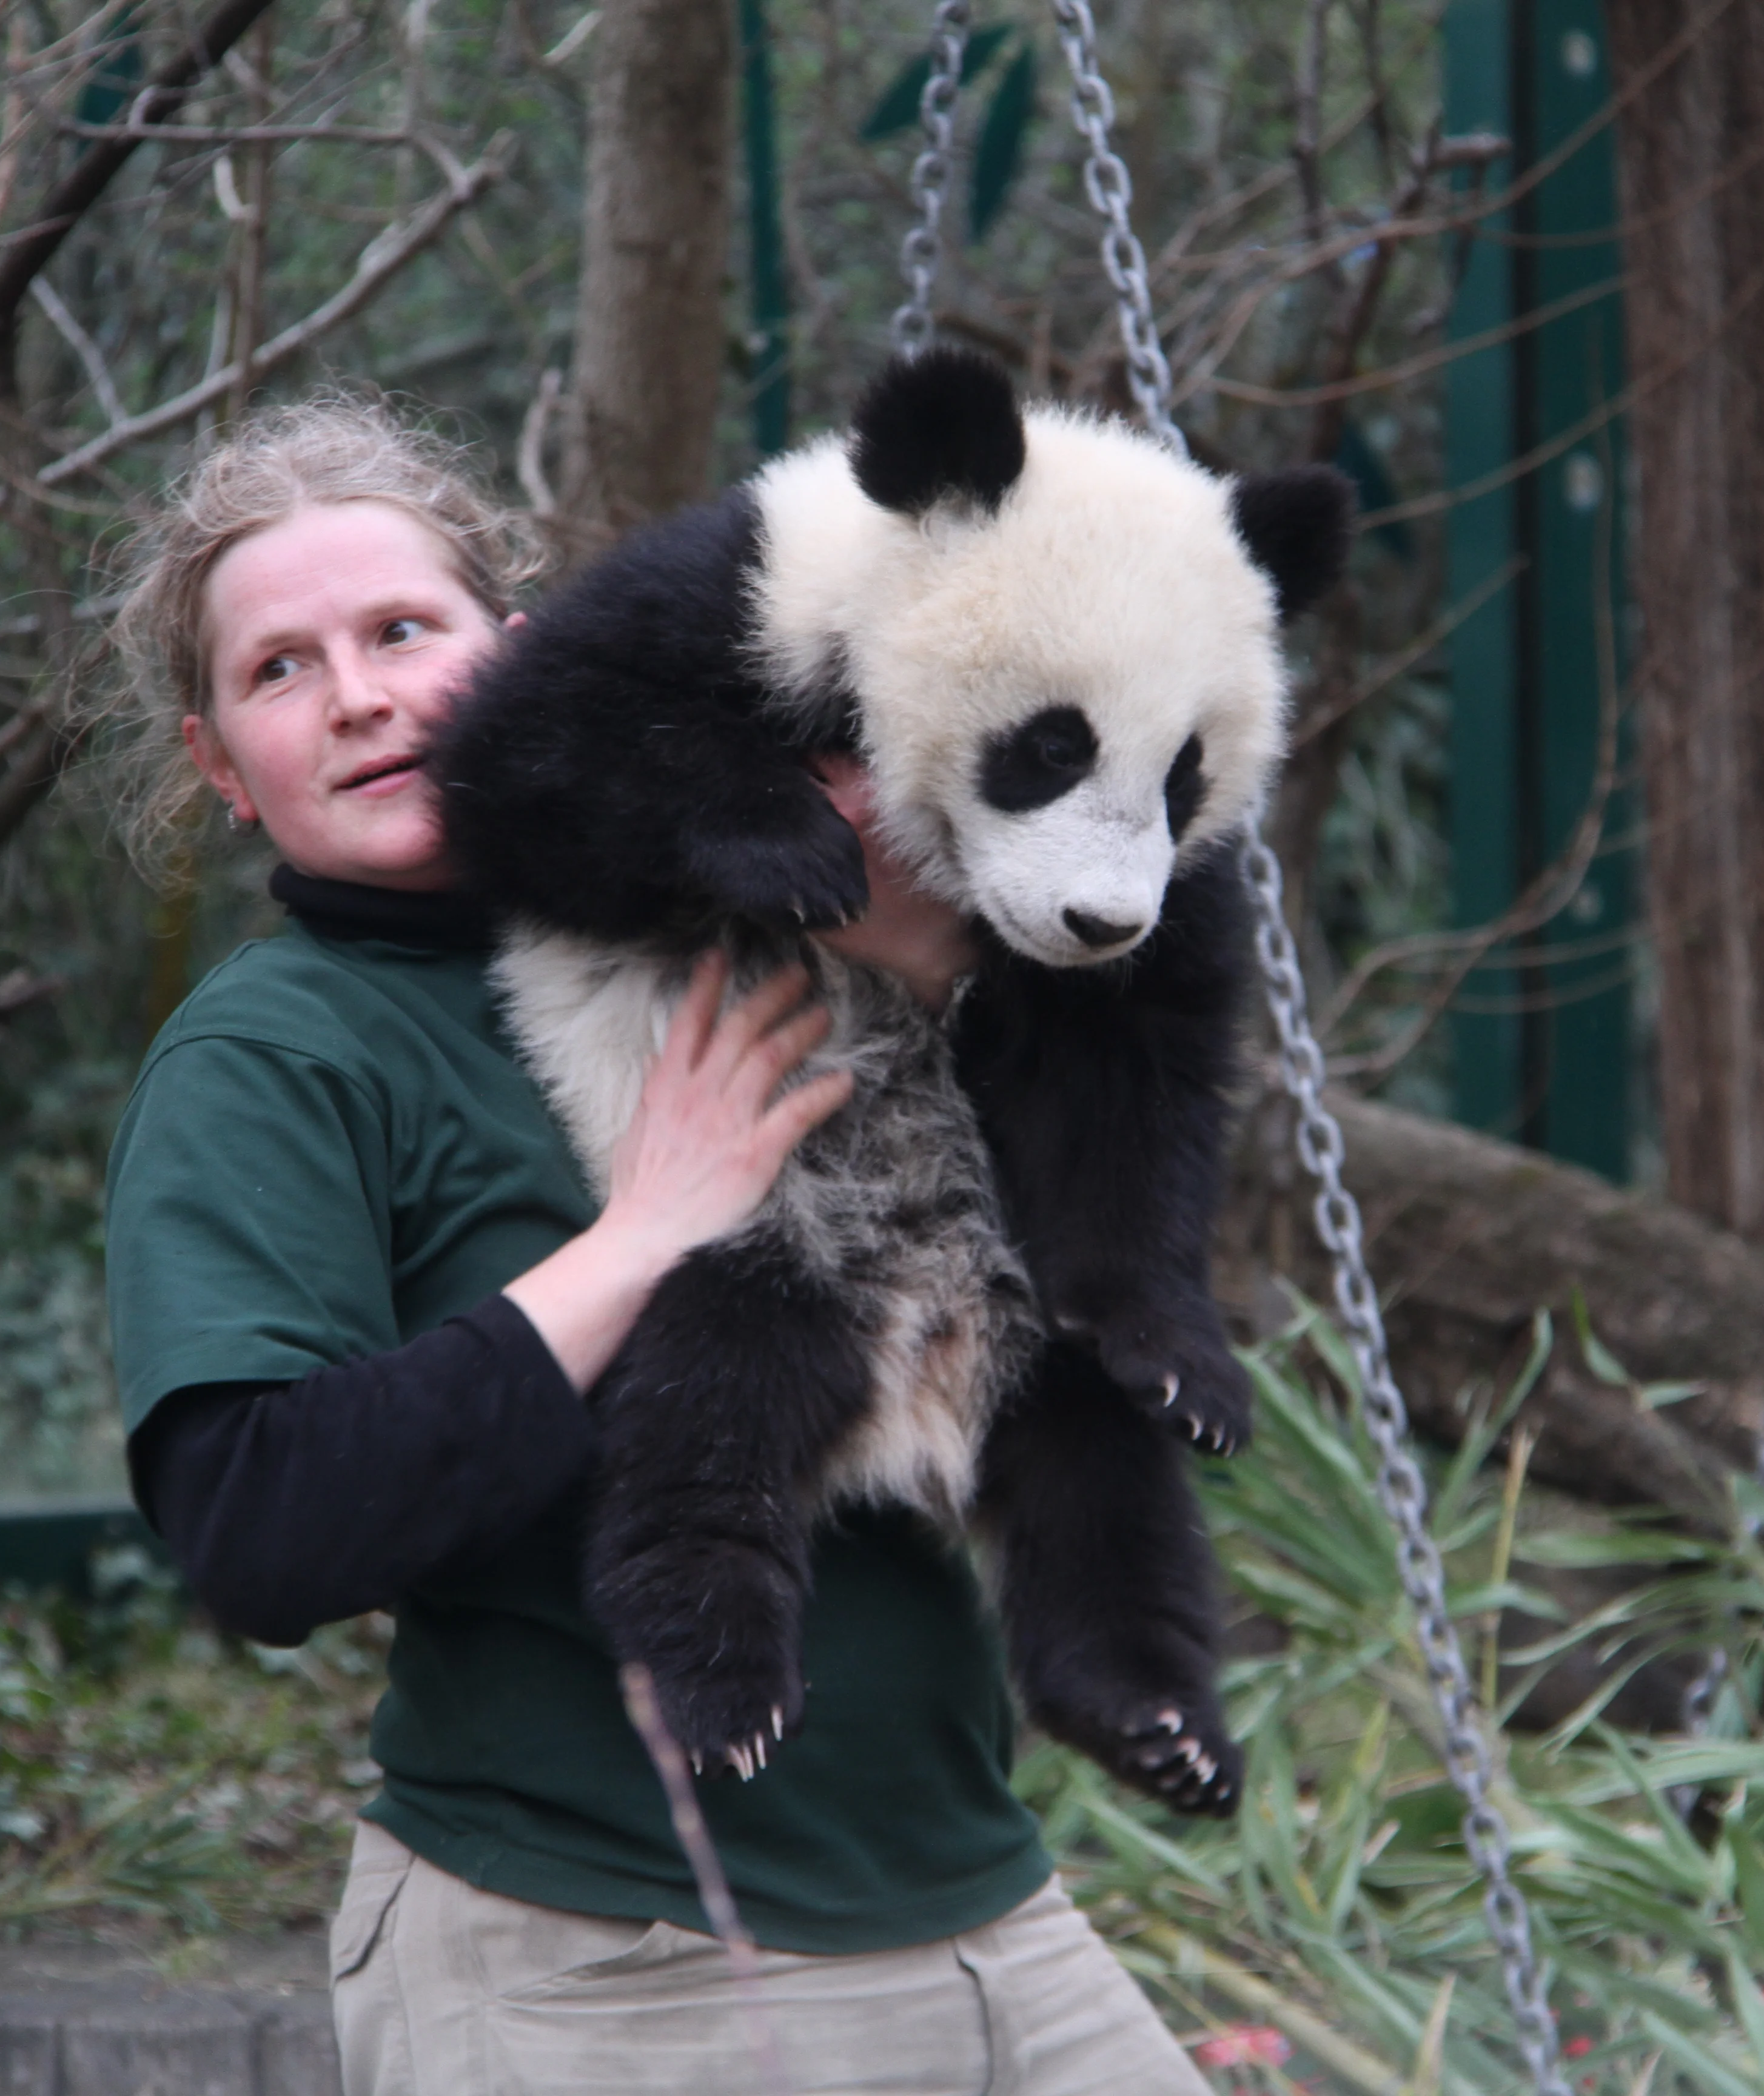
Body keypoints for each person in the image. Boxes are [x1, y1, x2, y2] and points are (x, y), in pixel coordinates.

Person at [98, 396, 1215, 2096]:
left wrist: (939, 973)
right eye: (281, 672)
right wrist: (640, 1240)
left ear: (521, 651)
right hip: (605, 1962)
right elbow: (260, 1523)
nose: (365, 698)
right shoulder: (279, 1057)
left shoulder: (804, 874)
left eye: (403, 631)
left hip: (984, 1914)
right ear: (217, 768)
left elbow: (1063, 1220)